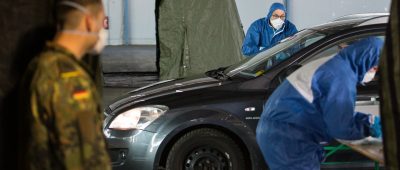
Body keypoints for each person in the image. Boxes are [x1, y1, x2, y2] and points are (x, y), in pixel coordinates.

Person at [256, 37, 383, 170]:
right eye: (374, 67)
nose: (374, 72)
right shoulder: (341, 76)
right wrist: (369, 126)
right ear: (367, 59)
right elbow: (340, 127)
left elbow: (334, 113)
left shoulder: (336, 64)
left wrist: (369, 120)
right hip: (290, 137)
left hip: (281, 131)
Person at [18, 0, 111, 169]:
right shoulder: (70, 81)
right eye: (102, 21)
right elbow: (85, 159)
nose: (102, 30)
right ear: (89, 21)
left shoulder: (42, 64)